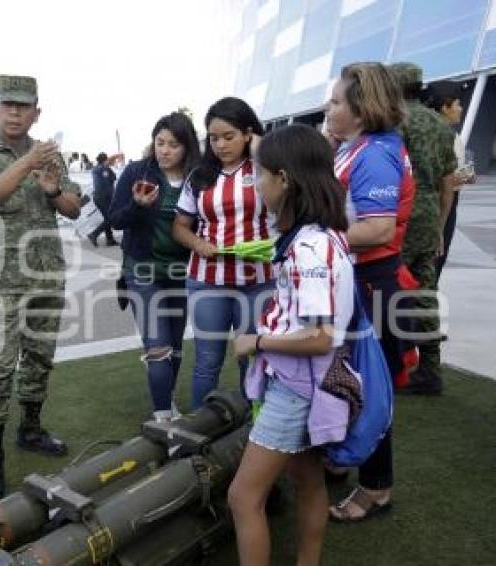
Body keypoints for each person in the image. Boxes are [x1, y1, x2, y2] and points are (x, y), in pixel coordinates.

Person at [229, 123, 354, 566]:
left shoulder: (309, 248)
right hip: (308, 384)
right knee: (308, 479)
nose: (255, 183)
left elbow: (320, 337)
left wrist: (255, 341)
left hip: (298, 386)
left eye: (259, 174)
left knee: (243, 497)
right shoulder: (325, 236)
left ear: (284, 179)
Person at [0, 75, 82, 503]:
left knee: (39, 357)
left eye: (23, 105)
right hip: (3, 281)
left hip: (47, 272)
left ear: (36, 112)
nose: (14, 111)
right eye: (6, 104)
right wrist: (29, 162)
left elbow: (72, 206)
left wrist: (53, 191)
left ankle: (30, 427)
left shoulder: (51, 156)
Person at [324, 62, 415, 521]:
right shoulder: (355, 146)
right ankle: (344, 456)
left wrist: (318, 239)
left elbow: (377, 229)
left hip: (373, 285)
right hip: (359, 281)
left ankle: (377, 487)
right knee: (349, 378)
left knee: (371, 387)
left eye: (337, 101)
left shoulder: (374, 153)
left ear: (361, 110)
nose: (329, 106)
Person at [172, 97, 272, 409]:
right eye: (214, 138)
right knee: (207, 360)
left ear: (248, 133)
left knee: (251, 357)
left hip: (259, 280)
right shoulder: (200, 175)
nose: (220, 145)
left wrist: (262, 149)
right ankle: (201, 428)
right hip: (207, 280)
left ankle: (249, 430)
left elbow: (295, 193)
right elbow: (179, 226)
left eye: (229, 137)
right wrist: (199, 244)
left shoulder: (266, 168)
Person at [108, 111, 201, 421]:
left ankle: (167, 401)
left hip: (180, 273)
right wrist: (136, 205)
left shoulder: (198, 178)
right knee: (158, 348)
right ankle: (163, 419)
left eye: (173, 144)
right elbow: (115, 219)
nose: (164, 150)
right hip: (142, 272)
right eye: (159, 142)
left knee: (175, 348)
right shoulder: (138, 171)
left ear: (187, 147)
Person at [390, 63, 458, 395]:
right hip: (430, 216)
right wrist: (439, 229)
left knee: (386, 289)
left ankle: (389, 366)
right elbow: (448, 184)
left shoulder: (392, 122)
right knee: (424, 294)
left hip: (399, 216)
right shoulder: (441, 125)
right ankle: (430, 369)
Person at [422, 80, 475, 282]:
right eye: (458, 104)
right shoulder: (443, 137)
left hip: (441, 206)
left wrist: (464, 176)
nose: (461, 109)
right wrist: (439, 229)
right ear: (445, 107)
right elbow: (444, 183)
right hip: (440, 210)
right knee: (432, 267)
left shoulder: (436, 134)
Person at [87, 152, 118, 247]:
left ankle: (110, 239)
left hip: (102, 198)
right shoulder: (101, 169)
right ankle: (94, 234)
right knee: (110, 218)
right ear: (105, 160)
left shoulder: (101, 169)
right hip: (103, 198)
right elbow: (109, 180)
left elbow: (113, 177)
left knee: (108, 218)